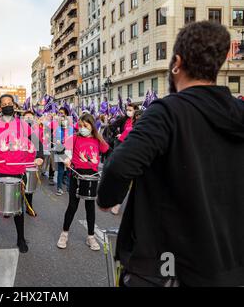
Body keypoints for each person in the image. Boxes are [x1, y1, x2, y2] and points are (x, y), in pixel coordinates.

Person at [97, 21, 244, 287]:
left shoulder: (167, 112)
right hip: (226, 267)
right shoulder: (239, 114)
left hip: (167, 267)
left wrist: (107, 198)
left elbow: (119, 166)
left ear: (176, 63)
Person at [0, 94, 44, 253]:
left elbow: (36, 142)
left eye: (10, 103)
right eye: (4, 104)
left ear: (14, 105)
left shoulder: (22, 124)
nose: (7, 106)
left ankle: (20, 238)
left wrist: (40, 156)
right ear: (0, 107)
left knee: (18, 207)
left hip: (17, 171)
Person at [56, 114, 109, 251]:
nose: (82, 128)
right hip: (76, 175)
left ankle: (90, 237)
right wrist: (66, 160)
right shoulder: (74, 138)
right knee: (72, 206)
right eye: (80, 125)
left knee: (90, 207)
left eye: (85, 126)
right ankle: (64, 233)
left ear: (92, 126)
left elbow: (109, 151)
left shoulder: (98, 140)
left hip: (92, 177)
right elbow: (58, 149)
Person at [23, 110, 38, 216]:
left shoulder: (37, 129)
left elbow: (40, 142)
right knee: (17, 186)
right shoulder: (18, 128)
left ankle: (29, 207)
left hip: (31, 161)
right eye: (26, 117)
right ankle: (13, 205)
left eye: (30, 117)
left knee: (29, 188)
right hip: (19, 162)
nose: (28, 118)